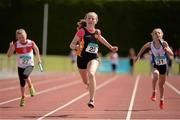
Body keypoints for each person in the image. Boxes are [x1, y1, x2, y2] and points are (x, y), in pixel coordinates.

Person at [70, 12, 118, 109]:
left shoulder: (97, 32)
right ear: (86, 20)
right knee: (85, 81)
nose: (91, 20)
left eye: (93, 18)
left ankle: (91, 99)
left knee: (91, 74)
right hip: (81, 59)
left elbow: (101, 38)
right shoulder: (82, 31)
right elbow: (71, 45)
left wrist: (110, 47)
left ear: (96, 21)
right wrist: (77, 46)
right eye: (89, 18)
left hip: (93, 58)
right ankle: (88, 84)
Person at [134, 28, 174, 109]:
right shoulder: (150, 44)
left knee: (161, 85)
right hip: (155, 64)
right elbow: (143, 47)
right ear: (152, 35)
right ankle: (154, 91)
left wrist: (167, 50)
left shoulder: (164, 43)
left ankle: (162, 99)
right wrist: (138, 56)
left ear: (162, 34)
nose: (157, 34)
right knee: (155, 75)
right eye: (155, 33)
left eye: (159, 33)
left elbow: (172, 54)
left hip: (163, 66)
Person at [7, 28, 42, 107]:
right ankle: (23, 97)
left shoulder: (31, 43)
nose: (21, 39)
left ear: (26, 35)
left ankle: (31, 86)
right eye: (19, 38)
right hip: (20, 66)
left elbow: (36, 49)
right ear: (17, 38)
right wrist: (10, 47)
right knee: (22, 83)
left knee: (25, 75)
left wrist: (39, 59)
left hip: (30, 65)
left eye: (23, 37)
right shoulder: (16, 44)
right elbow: (9, 55)